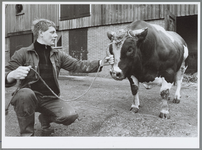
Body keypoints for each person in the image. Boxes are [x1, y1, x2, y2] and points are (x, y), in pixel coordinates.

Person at [5, 18, 114, 136]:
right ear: (41, 33)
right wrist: (11, 75)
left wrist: (101, 62)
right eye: (52, 32)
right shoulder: (22, 53)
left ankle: (45, 118)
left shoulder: (58, 55)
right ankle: (27, 135)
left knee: (70, 116)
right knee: (24, 94)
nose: (56, 35)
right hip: (29, 98)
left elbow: (78, 65)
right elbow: (6, 73)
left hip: (50, 98)